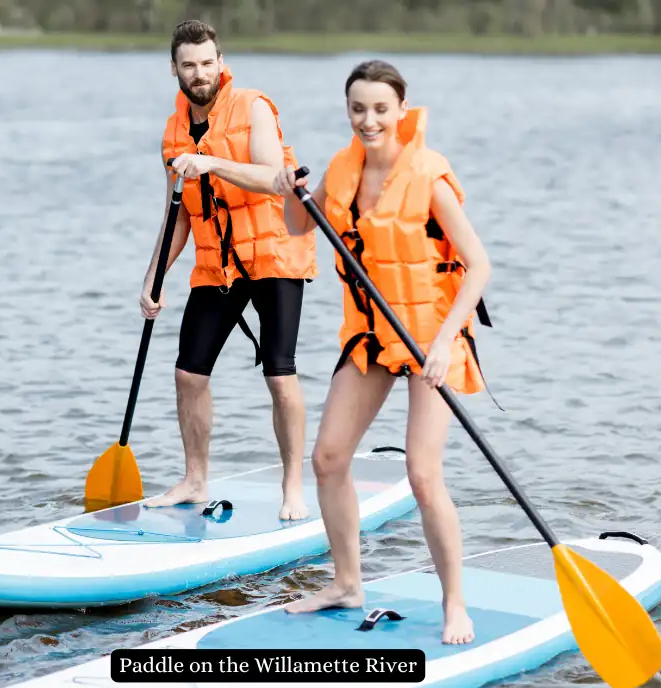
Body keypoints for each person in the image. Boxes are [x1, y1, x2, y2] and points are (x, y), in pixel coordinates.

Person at [271, 59, 493, 645]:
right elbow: (297, 225)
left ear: (401, 110)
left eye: (379, 109)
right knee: (328, 458)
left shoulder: (429, 176)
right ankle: (347, 583)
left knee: (422, 474)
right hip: (374, 336)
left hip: (432, 339)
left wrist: (444, 344)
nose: (368, 120)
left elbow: (479, 267)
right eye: (357, 109)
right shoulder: (343, 169)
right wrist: (289, 191)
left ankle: (455, 604)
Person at [140, 20, 318, 521]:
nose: (199, 73)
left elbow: (272, 178)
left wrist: (212, 163)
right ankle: (195, 480)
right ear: (174, 69)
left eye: (207, 62)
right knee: (188, 373)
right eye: (189, 65)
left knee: (279, 374)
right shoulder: (173, 132)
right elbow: (177, 214)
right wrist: (153, 277)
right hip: (218, 263)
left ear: (221, 62)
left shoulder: (253, 106)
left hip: (274, 254)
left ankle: (293, 487)